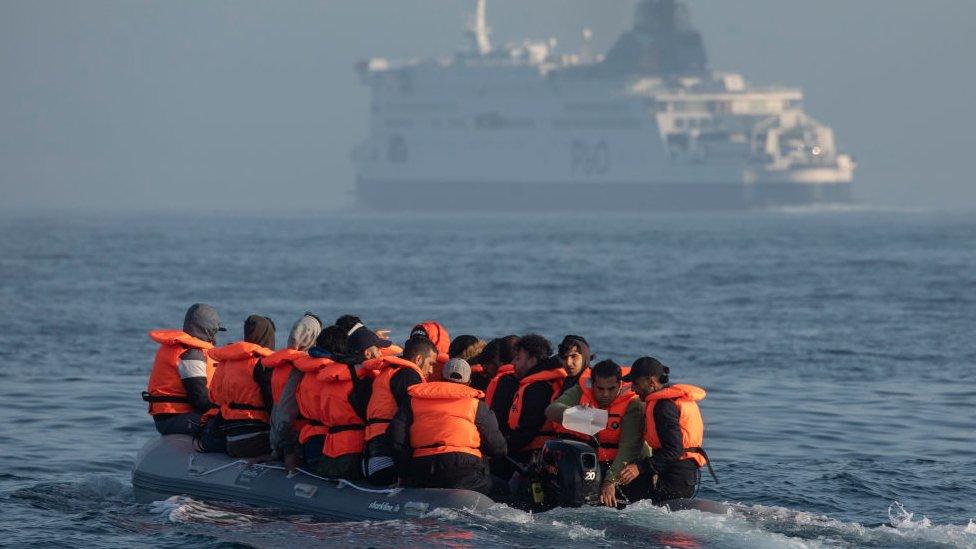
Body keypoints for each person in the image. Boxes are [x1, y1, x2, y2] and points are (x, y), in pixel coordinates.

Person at [389, 358, 508, 497]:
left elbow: (396, 437)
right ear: (469, 382)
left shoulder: (413, 400)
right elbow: (498, 447)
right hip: (463, 469)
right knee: (502, 489)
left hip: (423, 468)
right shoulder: (477, 405)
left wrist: (404, 473)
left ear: (441, 378)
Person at [547, 359, 647, 507]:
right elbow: (551, 410)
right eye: (600, 389)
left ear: (620, 385)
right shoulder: (581, 390)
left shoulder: (633, 403)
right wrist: (576, 413)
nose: (605, 394)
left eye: (611, 389)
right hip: (594, 465)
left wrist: (609, 481)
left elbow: (629, 447)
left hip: (625, 465)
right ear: (592, 384)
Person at [617, 357, 714, 504]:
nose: (632, 389)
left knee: (627, 490)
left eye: (636, 383)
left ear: (651, 382)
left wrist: (639, 467)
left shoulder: (663, 407)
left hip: (675, 478)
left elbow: (674, 450)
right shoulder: (668, 400)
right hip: (681, 474)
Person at [315, 323, 392, 479]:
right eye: (378, 349)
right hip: (353, 451)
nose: (381, 354)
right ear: (368, 354)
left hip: (329, 450)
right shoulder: (364, 380)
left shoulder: (333, 376)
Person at [360, 336, 439, 485]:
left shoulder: (389, 372)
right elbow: (414, 418)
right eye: (431, 364)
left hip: (371, 454)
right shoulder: (409, 375)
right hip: (387, 457)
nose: (431, 370)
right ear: (419, 359)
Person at [199, 315, 276, 457]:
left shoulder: (228, 361)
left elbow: (215, 396)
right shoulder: (263, 365)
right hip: (253, 437)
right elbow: (272, 406)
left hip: (227, 432)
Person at [143, 303, 225, 435]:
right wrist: (226, 412)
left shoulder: (184, 349)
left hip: (176, 415)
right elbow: (200, 401)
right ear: (209, 331)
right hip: (174, 417)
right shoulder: (192, 355)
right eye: (215, 332)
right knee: (226, 427)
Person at [262, 313, 323, 465]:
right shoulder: (303, 368)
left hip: (277, 436)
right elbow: (286, 410)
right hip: (296, 441)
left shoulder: (280, 363)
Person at [506, 334, 567, 465]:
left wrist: (503, 449)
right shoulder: (538, 382)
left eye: (518, 358)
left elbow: (528, 429)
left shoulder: (539, 388)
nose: (513, 363)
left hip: (534, 455)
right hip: (533, 450)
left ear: (532, 361)